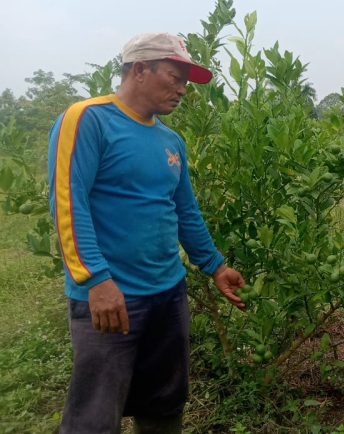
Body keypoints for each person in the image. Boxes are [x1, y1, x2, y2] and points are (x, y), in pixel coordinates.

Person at [48, 32, 246, 434]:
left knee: (164, 404)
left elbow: (184, 210)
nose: (182, 89)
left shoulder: (170, 140)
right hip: (111, 298)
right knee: (94, 415)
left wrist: (215, 265)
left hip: (168, 293)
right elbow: (68, 203)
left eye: (186, 82)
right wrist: (96, 280)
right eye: (175, 77)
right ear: (139, 70)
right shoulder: (88, 120)